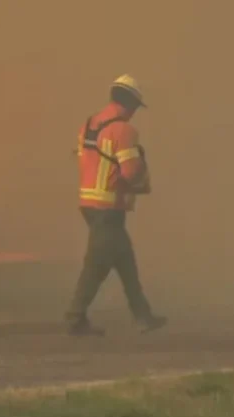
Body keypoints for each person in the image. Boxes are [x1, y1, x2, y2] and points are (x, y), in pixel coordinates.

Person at [65, 74, 167, 336]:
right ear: (130, 103)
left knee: (125, 261)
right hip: (109, 207)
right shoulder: (123, 130)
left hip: (88, 203)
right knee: (96, 265)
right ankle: (74, 318)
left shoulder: (88, 124)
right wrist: (142, 175)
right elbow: (131, 172)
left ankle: (143, 316)